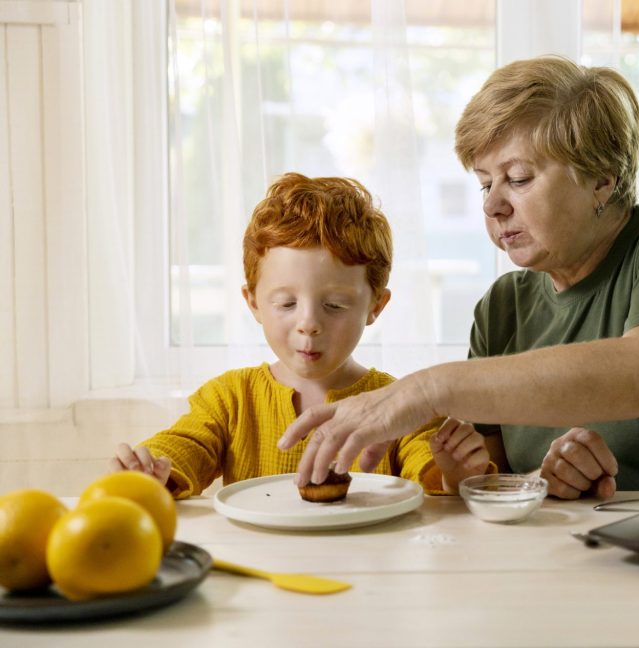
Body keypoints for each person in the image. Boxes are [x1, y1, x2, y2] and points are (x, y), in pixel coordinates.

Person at [278, 56, 639, 499]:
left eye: (518, 178)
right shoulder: (503, 306)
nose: (493, 205)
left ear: (603, 176)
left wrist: (429, 389)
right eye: (484, 184)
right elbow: (494, 481)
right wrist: (542, 480)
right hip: (599, 559)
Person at [108, 173, 492, 497]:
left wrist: (453, 473)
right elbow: (185, 445)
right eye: (287, 304)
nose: (308, 323)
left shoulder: (394, 406)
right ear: (253, 302)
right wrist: (150, 470)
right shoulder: (227, 401)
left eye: (335, 306)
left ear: (375, 305)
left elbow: (429, 468)